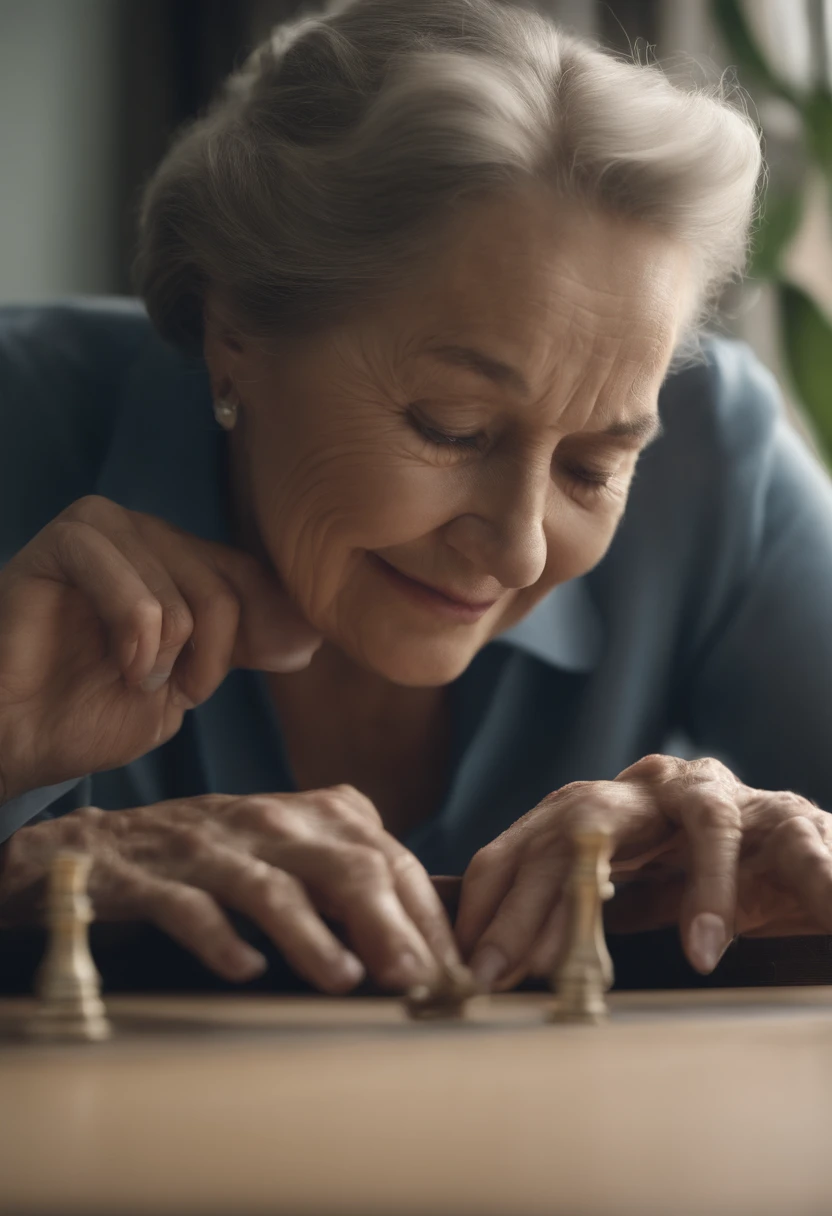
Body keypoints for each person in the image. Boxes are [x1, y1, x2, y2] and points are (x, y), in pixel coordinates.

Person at [1, 0, 831, 998]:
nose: (521, 550)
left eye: (592, 468)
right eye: (450, 427)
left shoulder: (714, 454)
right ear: (235, 329)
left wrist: (793, 841)